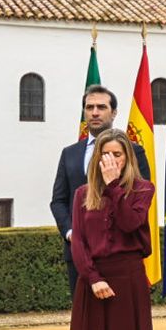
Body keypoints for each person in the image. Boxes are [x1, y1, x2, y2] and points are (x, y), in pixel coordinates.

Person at [61, 130, 159, 330]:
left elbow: (132, 223)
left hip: (128, 279)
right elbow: (78, 243)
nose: (112, 161)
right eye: (106, 155)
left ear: (127, 159)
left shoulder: (141, 189)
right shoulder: (82, 194)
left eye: (118, 155)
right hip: (93, 282)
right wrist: (91, 278)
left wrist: (115, 185)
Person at [50, 86, 151, 292]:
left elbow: (139, 198)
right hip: (80, 252)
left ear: (113, 112)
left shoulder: (133, 151)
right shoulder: (69, 153)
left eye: (101, 107)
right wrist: (71, 232)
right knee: (86, 318)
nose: (94, 112)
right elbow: (59, 200)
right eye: (89, 107)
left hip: (120, 253)